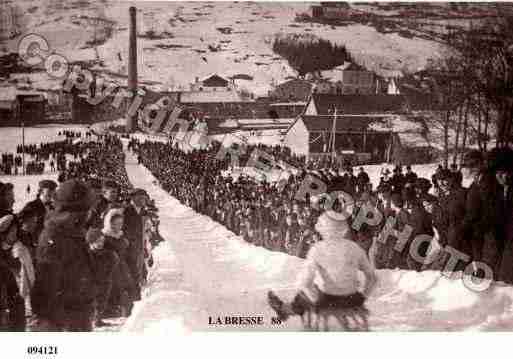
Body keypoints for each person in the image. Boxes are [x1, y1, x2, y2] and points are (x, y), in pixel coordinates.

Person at [267, 211, 377, 324]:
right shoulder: (355, 248)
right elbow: (372, 278)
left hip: (327, 299)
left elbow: (304, 282)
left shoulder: (317, 249)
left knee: (304, 293)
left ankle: (285, 310)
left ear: (323, 230)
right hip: (352, 299)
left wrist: (316, 300)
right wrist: (362, 298)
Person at [30, 180, 96, 331]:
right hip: (65, 321)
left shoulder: (73, 232)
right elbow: (46, 291)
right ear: (78, 212)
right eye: (88, 208)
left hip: (78, 315)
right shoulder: (55, 237)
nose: (91, 212)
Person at [123, 188, 148, 302]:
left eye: (144, 197)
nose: (143, 199)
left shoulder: (143, 212)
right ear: (133, 198)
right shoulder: (126, 211)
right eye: (140, 197)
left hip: (139, 247)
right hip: (128, 248)